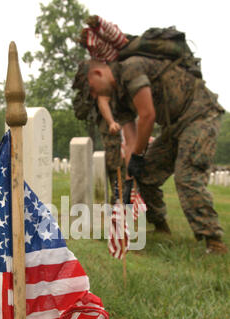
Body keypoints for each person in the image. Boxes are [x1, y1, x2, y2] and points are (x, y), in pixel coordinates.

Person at [87, 56, 227, 254]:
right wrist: (129, 181)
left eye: (92, 88)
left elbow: (147, 115)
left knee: (187, 176)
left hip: (200, 115)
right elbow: (130, 140)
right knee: (144, 174)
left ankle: (214, 241)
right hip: (174, 126)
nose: (94, 94)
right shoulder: (119, 100)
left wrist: (136, 157)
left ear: (98, 73)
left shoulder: (131, 69)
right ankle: (161, 225)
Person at [72, 62, 135, 204]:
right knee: (115, 164)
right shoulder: (98, 86)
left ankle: (126, 198)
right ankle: (120, 198)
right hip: (110, 129)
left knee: (129, 161)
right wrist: (111, 122)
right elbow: (100, 102)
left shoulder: (116, 75)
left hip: (124, 122)